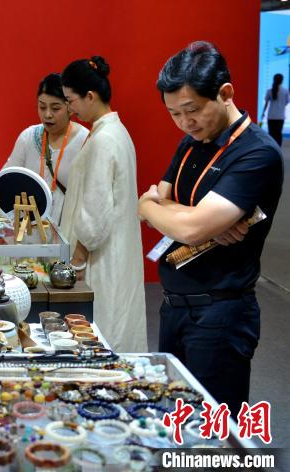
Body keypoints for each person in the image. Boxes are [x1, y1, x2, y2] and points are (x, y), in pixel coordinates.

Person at [138, 41, 283, 416]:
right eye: (174, 113)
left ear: (225, 93)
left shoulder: (257, 152)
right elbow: (152, 204)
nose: (185, 122)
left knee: (214, 431)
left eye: (192, 110)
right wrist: (157, 207)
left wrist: (171, 213)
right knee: (173, 420)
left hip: (220, 313)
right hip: (173, 305)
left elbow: (188, 229)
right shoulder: (190, 143)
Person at [59, 56, 148, 353]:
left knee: (103, 327)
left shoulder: (103, 139)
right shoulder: (115, 132)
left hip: (101, 254)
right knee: (118, 318)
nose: (70, 109)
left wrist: (77, 261)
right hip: (115, 248)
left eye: (70, 101)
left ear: (90, 96)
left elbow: (95, 211)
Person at [4, 73, 88, 224]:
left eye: (55, 108)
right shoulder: (28, 137)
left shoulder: (85, 141)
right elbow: (7, 177)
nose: (47, 114)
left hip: (68, 228)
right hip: (30, 227)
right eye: (42, 107)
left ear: (70, 108)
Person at [261, 73, 289, 146]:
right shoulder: (285, 91)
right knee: (278, 134)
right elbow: (287, 102)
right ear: (282, 81)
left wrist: (263, 113)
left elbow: (266, 104)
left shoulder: (269, 91)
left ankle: (272, 148)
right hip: (280, 116)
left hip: (271, 116)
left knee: (271, 134)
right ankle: (278, 148)